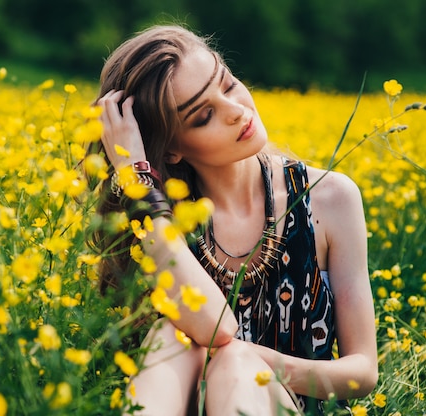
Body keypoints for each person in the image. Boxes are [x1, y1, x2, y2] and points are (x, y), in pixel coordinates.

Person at [91, 25, 378, 415]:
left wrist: (248, 360)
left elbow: (362, 373)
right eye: (204, 115)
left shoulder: (330, 197)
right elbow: (216, 327)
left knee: (234, 365)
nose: (236, 111)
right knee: (172, 336)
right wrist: (138, 187)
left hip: (289, 405)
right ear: (172, 149)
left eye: (227, 85)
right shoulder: (159, 220)